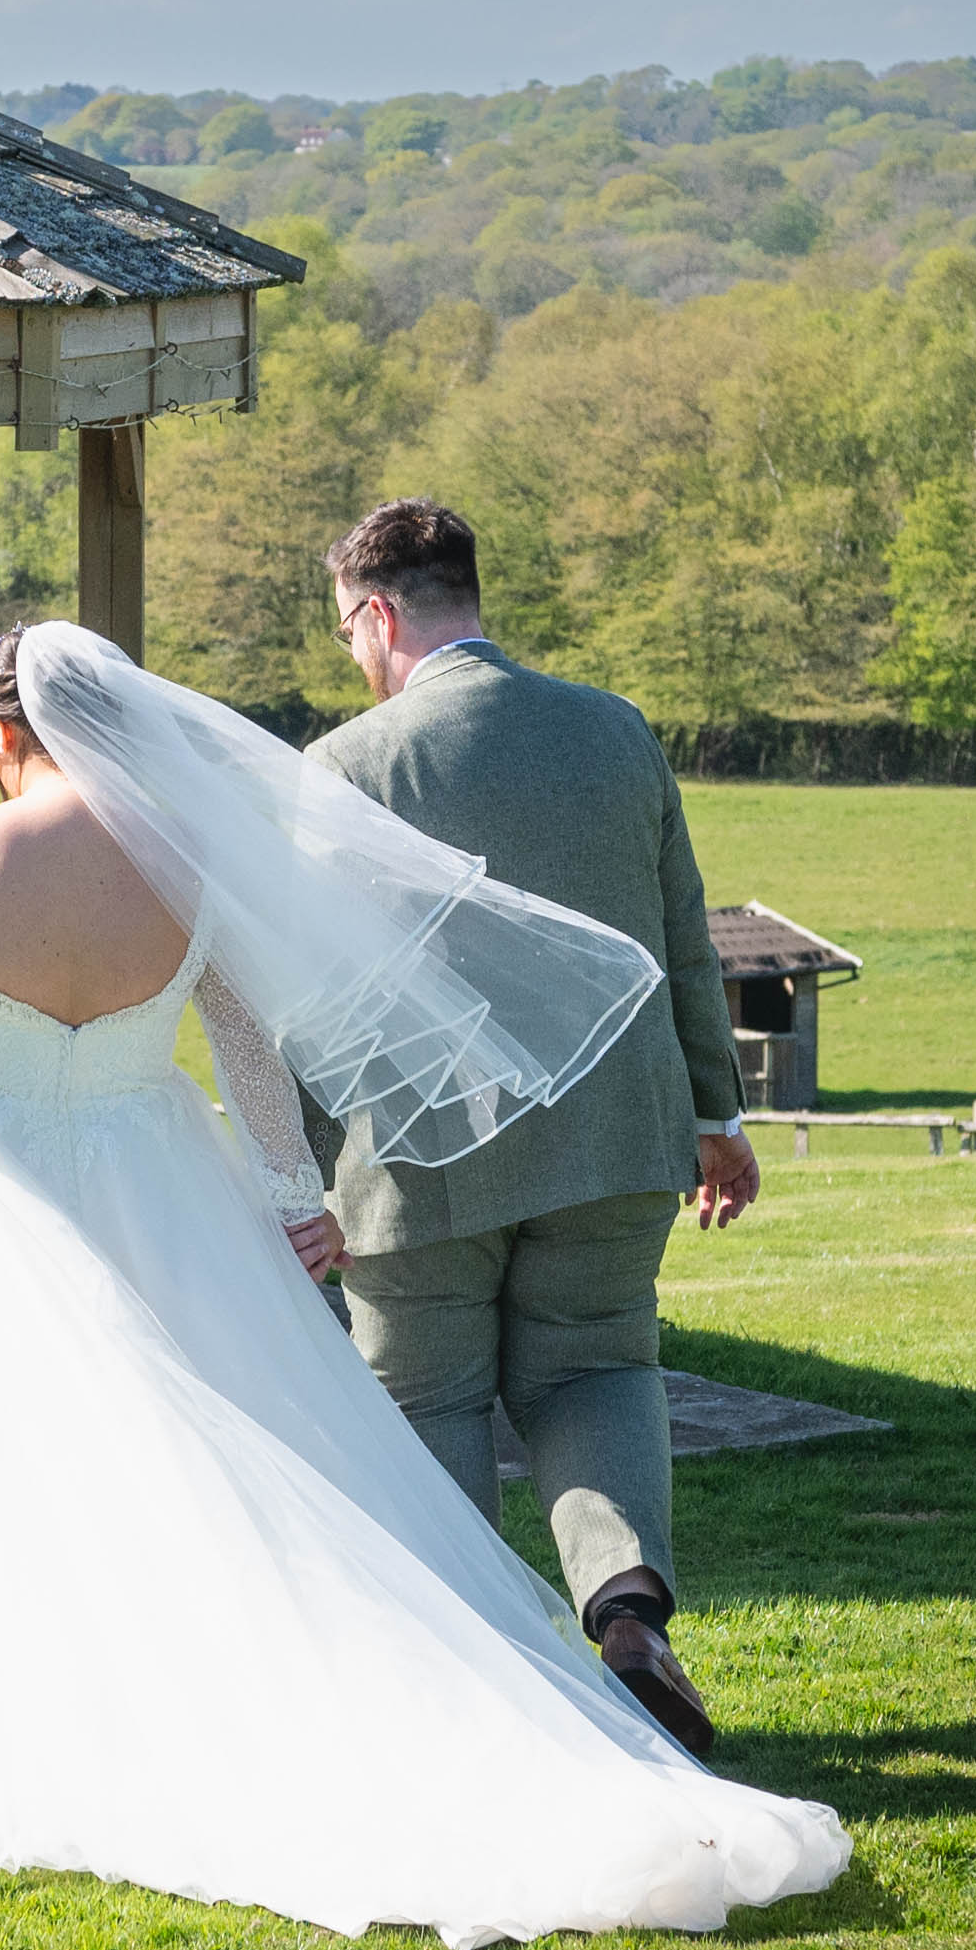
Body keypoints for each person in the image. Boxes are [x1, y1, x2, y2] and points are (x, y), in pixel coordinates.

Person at [0, 620, 845, 1945]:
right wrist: (292, 1201)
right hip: (162, 1177)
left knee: (27, 1455)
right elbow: (248, 1055)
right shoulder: (179, 855)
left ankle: (81, 1733)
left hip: (6, 1194)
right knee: (207, 1449)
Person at [306, 498, 758, 1756]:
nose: (350, 653)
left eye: (345, 630)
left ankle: (479, 1683)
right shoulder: (616, 732)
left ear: (378, 615)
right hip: (617, 1133)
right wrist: (714, 1114)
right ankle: (628, 1617)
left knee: (427, 1401)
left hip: (420, 1157)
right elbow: (681, 938)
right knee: (596, 1369)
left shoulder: (342, 769)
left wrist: (303, 1176)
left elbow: (309, 995)